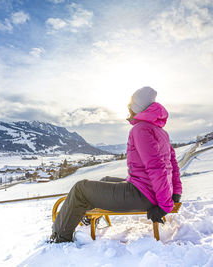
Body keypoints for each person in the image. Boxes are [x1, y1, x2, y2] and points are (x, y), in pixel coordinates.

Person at [50, 86, 182, 243]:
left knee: (80, 189)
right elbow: (172, 165)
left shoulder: (140, 129)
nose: (129, 109)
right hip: (148, 190)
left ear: (138, 108)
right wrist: (176, 193)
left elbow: (156, 167)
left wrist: (164, 206)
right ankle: (87, 220)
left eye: (131, 106)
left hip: (143, 194)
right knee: (106, 179)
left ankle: (59, 237)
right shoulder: (160, 131)